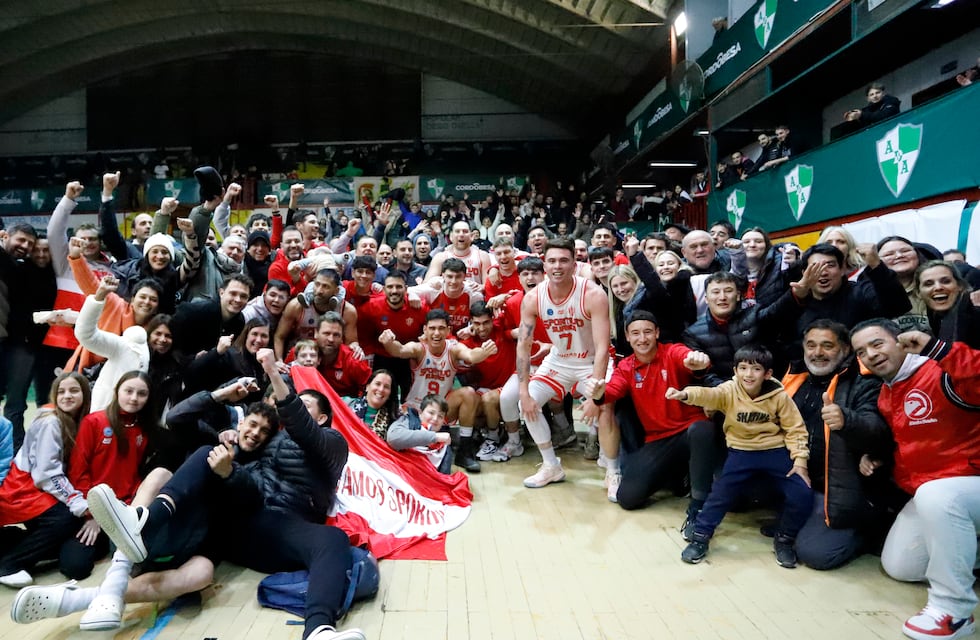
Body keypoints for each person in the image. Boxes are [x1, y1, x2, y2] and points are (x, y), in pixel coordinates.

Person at [11, 381, 278, 631]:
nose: (255, 433)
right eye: (253, 424)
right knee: (163, 472)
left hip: (199, 540)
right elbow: (176, 418)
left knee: (202, 575)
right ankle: (138, 527)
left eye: (264, 431)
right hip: (165, 522)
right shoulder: (216, 439)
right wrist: (219, 396)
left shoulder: (261, 464)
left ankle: (78, 599)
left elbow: (254, 495)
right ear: (242, 423)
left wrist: (229, 471)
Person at [851, 320, 980, 640]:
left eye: (877, 343)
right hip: (939, 493)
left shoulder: (943, 371)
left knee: (936, 495)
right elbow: (914, 445)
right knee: (901, 567)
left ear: (902, 342)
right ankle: (971, 553)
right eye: (861, 351)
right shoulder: (887, 393)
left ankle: (955, 611)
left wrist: (939, 350)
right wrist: (880, 457)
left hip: (966, 483)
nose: (870, 354)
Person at [669, 345, 812, 568]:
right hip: (740, 452)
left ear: (767, 374)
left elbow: (795, 428)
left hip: (774, 451)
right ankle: (700, 537)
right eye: (743, 368)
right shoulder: (729, 390)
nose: (748, 374)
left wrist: (800, 460)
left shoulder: (779, 395)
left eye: (755, 369)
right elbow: (711, 394)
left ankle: (784, 538)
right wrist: (686, 394)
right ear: (735, 371)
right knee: (720, 495)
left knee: (802, 493)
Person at [781, 320, 892, 570]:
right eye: (811, 345)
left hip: (841, 491)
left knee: (816, 554)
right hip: (798, 479)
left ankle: (869, 531)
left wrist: (846, 421)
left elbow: (878, 432)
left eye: (827, 346)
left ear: (845, 349)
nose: (817, 353)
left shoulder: (865, 382)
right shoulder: (794, 376)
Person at [584, 311, 716, 505]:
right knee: (627, 498)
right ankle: (678, 475)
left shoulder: (672, 352)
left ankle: (698, 505)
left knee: (703, 429)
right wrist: (598, 395)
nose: (642, 338)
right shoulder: (626, 367)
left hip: (689, 431)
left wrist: (698, 363)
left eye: (647, 332)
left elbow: (689, 359)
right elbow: (612, 390)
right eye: (635, 333)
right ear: (628, 337)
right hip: (658, 439)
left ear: (657, 333)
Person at [512, 237, 610, 488]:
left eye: (564, 260)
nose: (557, 266)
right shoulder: (533, 298)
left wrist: (595, 396)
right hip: (560, 361)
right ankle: (551, 466)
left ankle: (612, 468)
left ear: (575, 263)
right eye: (552, 260)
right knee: (528, 403)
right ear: (544, 265)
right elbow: (523, 346)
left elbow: (602, 348)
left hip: (590, 362)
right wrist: (523, 391)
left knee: (606, 406)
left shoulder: (593, 294)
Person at [0, 373, 92, 586]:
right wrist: (76, 501)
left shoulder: (77, 420)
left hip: (36, 486)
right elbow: (46, 473)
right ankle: (10, 564)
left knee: (67, 525)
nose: (67, 396)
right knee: (65, 519)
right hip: (22, 488)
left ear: (85, 394)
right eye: (61, 391)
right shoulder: (51, 421)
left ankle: (11, 544)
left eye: (74, 391)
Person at [378, 309, 498, 472]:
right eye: (432, 328)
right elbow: (399, 350)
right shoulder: (418, 349)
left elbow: (470, 355)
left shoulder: (453, 349)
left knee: (469, 393)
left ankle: (464, 450)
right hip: (416, 411)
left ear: (448, 331)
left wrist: (483, 352)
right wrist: (388, 342)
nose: (436, 333)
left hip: (441, 412)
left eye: (441, 328)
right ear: (425, 330)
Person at [74, 276, 150, 411]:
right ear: (132, 300)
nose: (147, 302)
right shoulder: (126, 342)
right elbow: (87, 335)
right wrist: (99, 296)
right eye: (142, 297)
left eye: (153, 299)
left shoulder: (156, 336)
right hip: (105, 412)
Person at [916, 260, 980, 349]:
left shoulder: (976, 316)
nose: (938, 287)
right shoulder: (935, 318)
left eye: (946, 281)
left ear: (960, 286)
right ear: (919, 293)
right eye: (928, 284)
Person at [386, 394, 454, 474]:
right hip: (400, 474)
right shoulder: (409, 422)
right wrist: (434, 437)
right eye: (431, 413)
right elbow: (393, 438)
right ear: (420, 413)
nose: (435, 419)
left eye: (440, 416)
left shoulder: (444, 446)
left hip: (425, 483)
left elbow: (443, 477)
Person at [347, 369, 401, 439]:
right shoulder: (346, 403)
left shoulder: (395, 420)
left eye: (386, 387)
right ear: (367, 387)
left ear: (390, 395)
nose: (381, 389)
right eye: (378, 384)